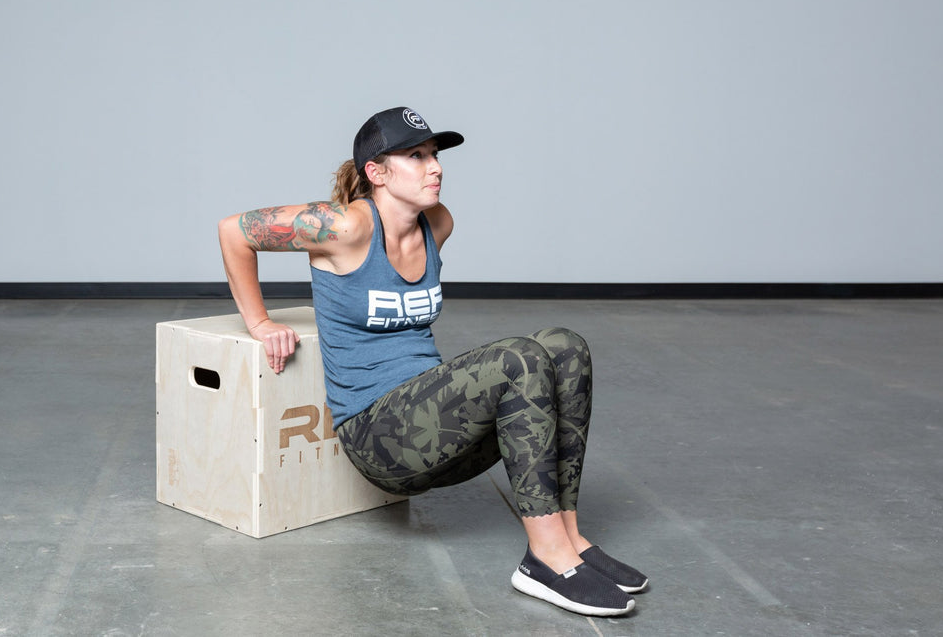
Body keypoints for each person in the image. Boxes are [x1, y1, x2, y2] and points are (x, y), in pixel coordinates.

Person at [218, 107, 647, 617]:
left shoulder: (437, 223)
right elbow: (233, 231)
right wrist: (261, 324)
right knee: (520, 358)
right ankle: (544, 559)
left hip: (435, 431)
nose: (435, 167)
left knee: (566, 346)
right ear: (376, 172)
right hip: (380, 439)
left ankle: (570, 539)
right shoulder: (342, 226)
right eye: (416, 156)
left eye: (435, 155)